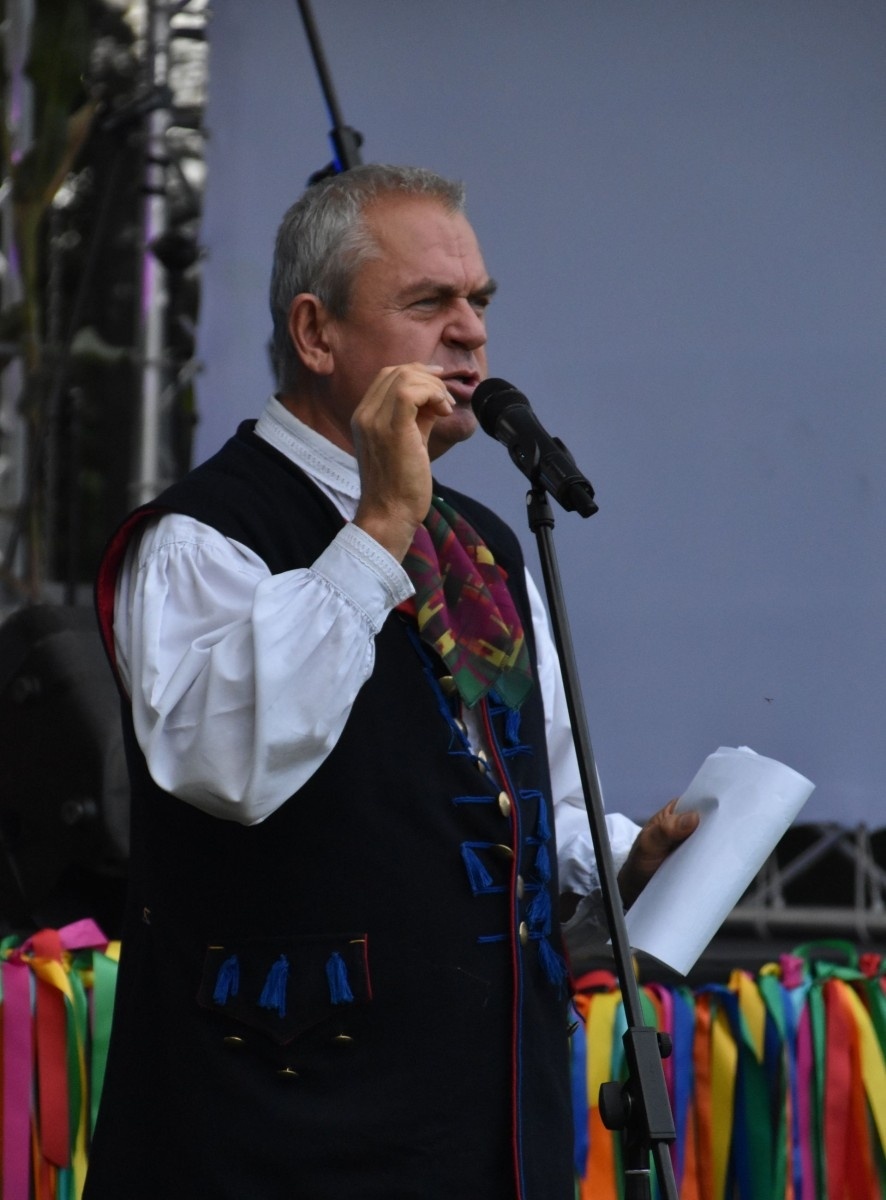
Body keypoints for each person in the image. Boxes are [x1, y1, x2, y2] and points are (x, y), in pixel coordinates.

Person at [86, 164, 697, 1200]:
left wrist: (618, 863)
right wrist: (375, 531)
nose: (470, 333)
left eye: (479, 302)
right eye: (428, 302)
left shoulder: (486, 545)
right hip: (278, 1140)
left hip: (489, 1130)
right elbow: (224, 763)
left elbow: (521, 793)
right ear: (316, 333)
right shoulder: (206, 534)